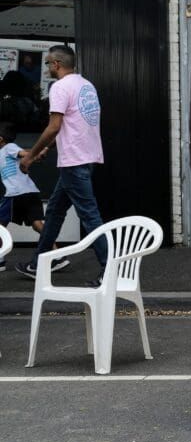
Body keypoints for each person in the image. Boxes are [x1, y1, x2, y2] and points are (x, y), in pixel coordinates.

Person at [15, 45, 106, 284]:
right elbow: (74, 127)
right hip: (86, 158)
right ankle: (41, 262)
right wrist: (46, 149)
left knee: (90, 216)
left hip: (74, 162)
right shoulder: (86, 86)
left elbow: (54, 126)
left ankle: (111, 269)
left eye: (47, 64)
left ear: (56, 64)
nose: (46, 68)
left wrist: (30, 156)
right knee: (54, 212)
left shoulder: (60, 87)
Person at [0, 121, 67, 274]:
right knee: (37, 224)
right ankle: (57, 256)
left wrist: (35, 154)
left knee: (0, 227)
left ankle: (0, 260)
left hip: (15, 194)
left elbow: (25, 154)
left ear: (0, 139)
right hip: (29, 192)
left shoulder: (8, 148)